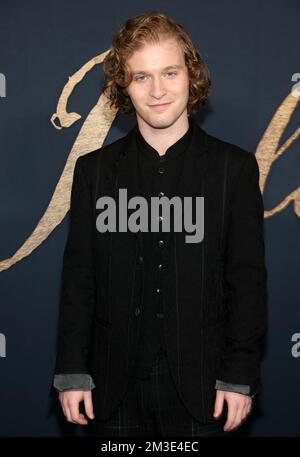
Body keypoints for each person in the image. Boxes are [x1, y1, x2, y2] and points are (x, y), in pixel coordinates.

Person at [52, 11, 268, 437]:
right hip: (110, 389)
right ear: (123, 87)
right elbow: (80, 278)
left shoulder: (235, 169)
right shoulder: (93, 172)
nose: (157, 91)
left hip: (204, 388)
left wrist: (239, 374)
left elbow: (246, 281)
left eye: (169, 72)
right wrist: (72, 370)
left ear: (191, 75)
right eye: (140, 77)